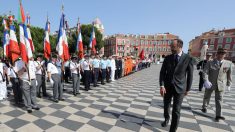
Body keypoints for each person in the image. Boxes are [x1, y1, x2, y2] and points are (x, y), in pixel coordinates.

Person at [159, 39, 194, 132]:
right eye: (171, 46)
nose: (171, 48)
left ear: (179, 47)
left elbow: (190, 74)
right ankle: (166, 118)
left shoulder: (188, 58)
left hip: (181, 88)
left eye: (172, 47)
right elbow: (162, 73)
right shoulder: (167, 58)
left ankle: (172, 130)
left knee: (176, 110)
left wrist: (188, 89)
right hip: (167, 87)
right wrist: (161, 86)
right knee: (166, 105)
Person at [202, 48, 233, 122]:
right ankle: (204, 106)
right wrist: (206, 80)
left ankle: (218, 115)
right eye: (219, 54)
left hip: (221, 84)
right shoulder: (210, 62)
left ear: (225, 55)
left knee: (219, 100)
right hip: (210, 83)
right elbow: (205, 72)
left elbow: (229, 74)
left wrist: (229, 84)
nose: (221, 55)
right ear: (217, 54)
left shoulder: (229, 63)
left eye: (223, 54)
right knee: (207, 96)